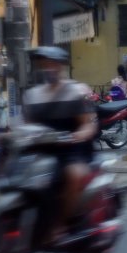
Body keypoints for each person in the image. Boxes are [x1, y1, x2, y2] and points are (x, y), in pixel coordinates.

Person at [22, 47, 96, 242]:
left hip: (70, 149)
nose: (49, 68)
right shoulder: (33, 95)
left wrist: (76, 136)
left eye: (53, 64)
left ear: (62, 66)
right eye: (45, 64)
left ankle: (60, 225)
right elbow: (27, 127)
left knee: (73, 175)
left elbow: (87, 125)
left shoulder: (74, 92)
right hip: (43, 151)